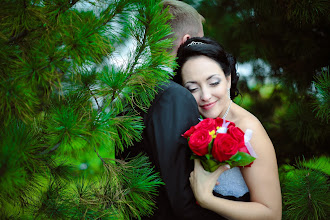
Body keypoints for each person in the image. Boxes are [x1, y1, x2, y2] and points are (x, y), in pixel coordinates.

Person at [121, 1, 226, 219]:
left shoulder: (131, 93)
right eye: (201, 40)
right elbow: (182, 197)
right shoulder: (173, 96)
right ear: (187, 41)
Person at [173, 36, 282, 220]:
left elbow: (272, 214)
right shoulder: (192, 120)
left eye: (214, 82)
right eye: (192, 88)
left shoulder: (249, 130)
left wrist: (206, 199)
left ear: (228, 79)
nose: (205, 96)